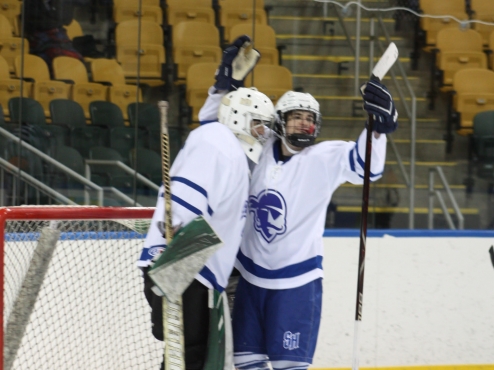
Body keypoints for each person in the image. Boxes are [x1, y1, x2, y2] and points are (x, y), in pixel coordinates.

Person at [231, 81, 398, 370]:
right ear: (281, 121)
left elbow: (366, 167)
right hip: (249, 280)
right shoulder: (259, 147)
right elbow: (231, 124)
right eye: (297, 117)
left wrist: (377, 130)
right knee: (246, 365)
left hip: (296, 285)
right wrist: (225, 92)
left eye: (310, 119)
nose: (304, 125)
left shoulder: (324, 158)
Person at [137, 35, 276, 370]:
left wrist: (224, 86)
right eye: (258, 124)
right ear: (241, 120)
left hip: (193, 270)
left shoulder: (224, 144)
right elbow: (182, 209)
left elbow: (214, 123)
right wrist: (171, 279)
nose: (263, 133)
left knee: (189, 360)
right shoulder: (216, 143)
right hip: (183, 266)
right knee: (188, 361)